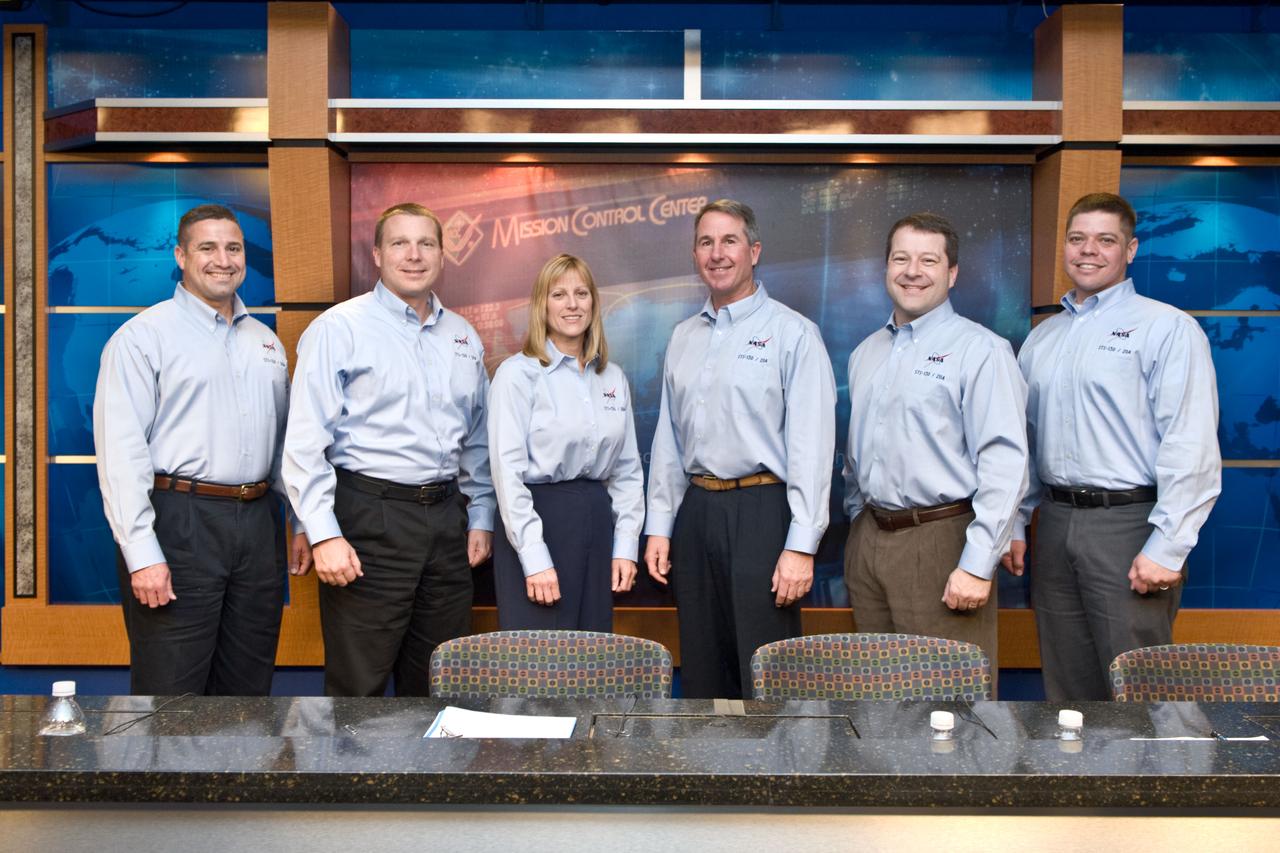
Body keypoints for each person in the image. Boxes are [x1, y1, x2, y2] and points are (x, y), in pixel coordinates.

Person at [1004, 192, 1221, 701]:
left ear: (1131, 249)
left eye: (1106, 240)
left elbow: (1189, 441)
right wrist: (1015, 522)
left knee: (1139, 684)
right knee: (1068, 684)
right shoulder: (1043, 338)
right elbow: (1024, 444)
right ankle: (1082, 781)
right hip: (1054, 525)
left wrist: (1168, 546)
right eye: (1078, 239)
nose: (1089, 251)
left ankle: (1152, 784)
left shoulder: (1167, 328)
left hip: (1130, 526)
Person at [94, 203, 311, 696]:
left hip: (256, 525)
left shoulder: (266, 342)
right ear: (181, 256)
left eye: (233, 247)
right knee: (172, 690)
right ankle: (168, 779)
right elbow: (121, 455)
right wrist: (142, 554)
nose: (223, 259)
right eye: (207, 247)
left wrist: (299, 520)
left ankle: (237, 778)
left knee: (248, 686)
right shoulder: (141, 338)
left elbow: (283, 448)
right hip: (178, 521)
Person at [283, 202, 494, 697]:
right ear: (377, 253)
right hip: (367, 520)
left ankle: (432, 778)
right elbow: (304, 442)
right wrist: (322, 533)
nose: (414, 255)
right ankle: (360, 780)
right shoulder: (340, 328)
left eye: (426, 243)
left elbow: (478, 440)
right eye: (400, 243)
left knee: (443, 683)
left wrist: (481, 515)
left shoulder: (463, 335)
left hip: (446, 523)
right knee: (360, 687)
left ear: (443, 255)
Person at [644, 199, 836, 699]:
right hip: (697, 512)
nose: (717, 253)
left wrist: (801, 544)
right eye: (706, 242)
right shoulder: (683, 337)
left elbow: (813, 447)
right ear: (694, 254)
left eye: (729, 241)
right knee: (704, 666)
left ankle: (771, 776)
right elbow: (669, 440)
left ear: (754, 250)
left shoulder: (793, 334)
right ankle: (711, 774)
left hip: (763, 512)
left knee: (765, 667)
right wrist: (660, 526)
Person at [842, 213, 1028, 686]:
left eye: (929, 260)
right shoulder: (866, 352)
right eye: (901, 258)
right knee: (876, 697)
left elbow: (1005, 463)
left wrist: (977, 563)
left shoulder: (981, 350)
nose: (912, 271)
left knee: (947, 701)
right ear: (885, 267)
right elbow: (856, 454)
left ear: (952, 273)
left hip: (943, 539)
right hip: (871, 538)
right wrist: (858, 523)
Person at [488, 254, 643, 629]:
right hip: (537, 520)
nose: (572, 304)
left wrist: (625, 547)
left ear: (594, 303)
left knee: (592, 664)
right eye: (559, 294)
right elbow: (507, 476)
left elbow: (627, 472)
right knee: (539, 669)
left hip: (596, 522)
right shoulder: (516, 375)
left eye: (581, 293)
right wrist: (534, 557)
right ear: (542, 305)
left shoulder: (613, 378)